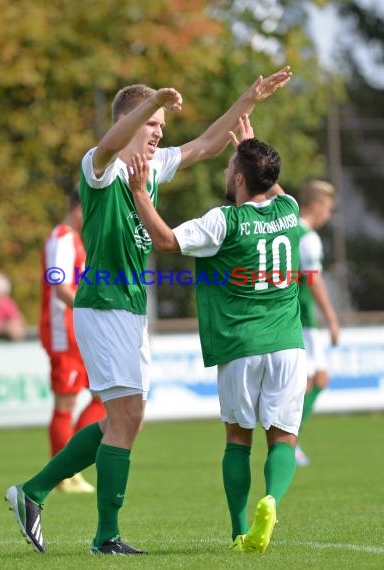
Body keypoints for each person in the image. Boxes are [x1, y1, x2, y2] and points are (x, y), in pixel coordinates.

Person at [5, 67, 292, 556]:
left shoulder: (152, 168)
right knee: (126, 418)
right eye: (153, 123)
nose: (160, 131)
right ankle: (103, 537)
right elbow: (111, 140)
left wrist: (250, 98)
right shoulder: (101, 167)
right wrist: (151, 99)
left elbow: (206, 143)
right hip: (104, 306)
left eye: (160, 124)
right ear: (131, 121)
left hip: (130, 310)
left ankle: (32, 493)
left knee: (125, 419)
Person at [126, 118, 306, 554]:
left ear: (240, 178)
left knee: (237, 439)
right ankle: (272, 500)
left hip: (241, 345)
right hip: (288, 344)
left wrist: (137, 192)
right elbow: (275, 188)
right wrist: (250, 146)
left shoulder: (223, 221)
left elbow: (166, 240)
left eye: (231, 167)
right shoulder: (290, 211)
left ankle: (239, 531)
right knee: (283, 437)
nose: (226, 173)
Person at [40, 189, 105, 492]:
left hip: (78, 330)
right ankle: (64, 474)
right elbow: (60, 287)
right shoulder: (63, 239)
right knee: (65, 402)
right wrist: (90, 309)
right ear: (79, 207)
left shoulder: (74, 239)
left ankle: (72, 462)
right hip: (63, 331)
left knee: (104, 395)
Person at [295, 180, 339, 466]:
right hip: (303, 317)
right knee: (312, 381)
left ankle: (289, 439)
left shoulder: (288, 229)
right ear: (316, 204)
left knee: (315, 380)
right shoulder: (307, 237)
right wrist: (332, 318)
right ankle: (288, 440)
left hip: (293, 315)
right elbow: (313, 279)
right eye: (328, 208)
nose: (329, 215)